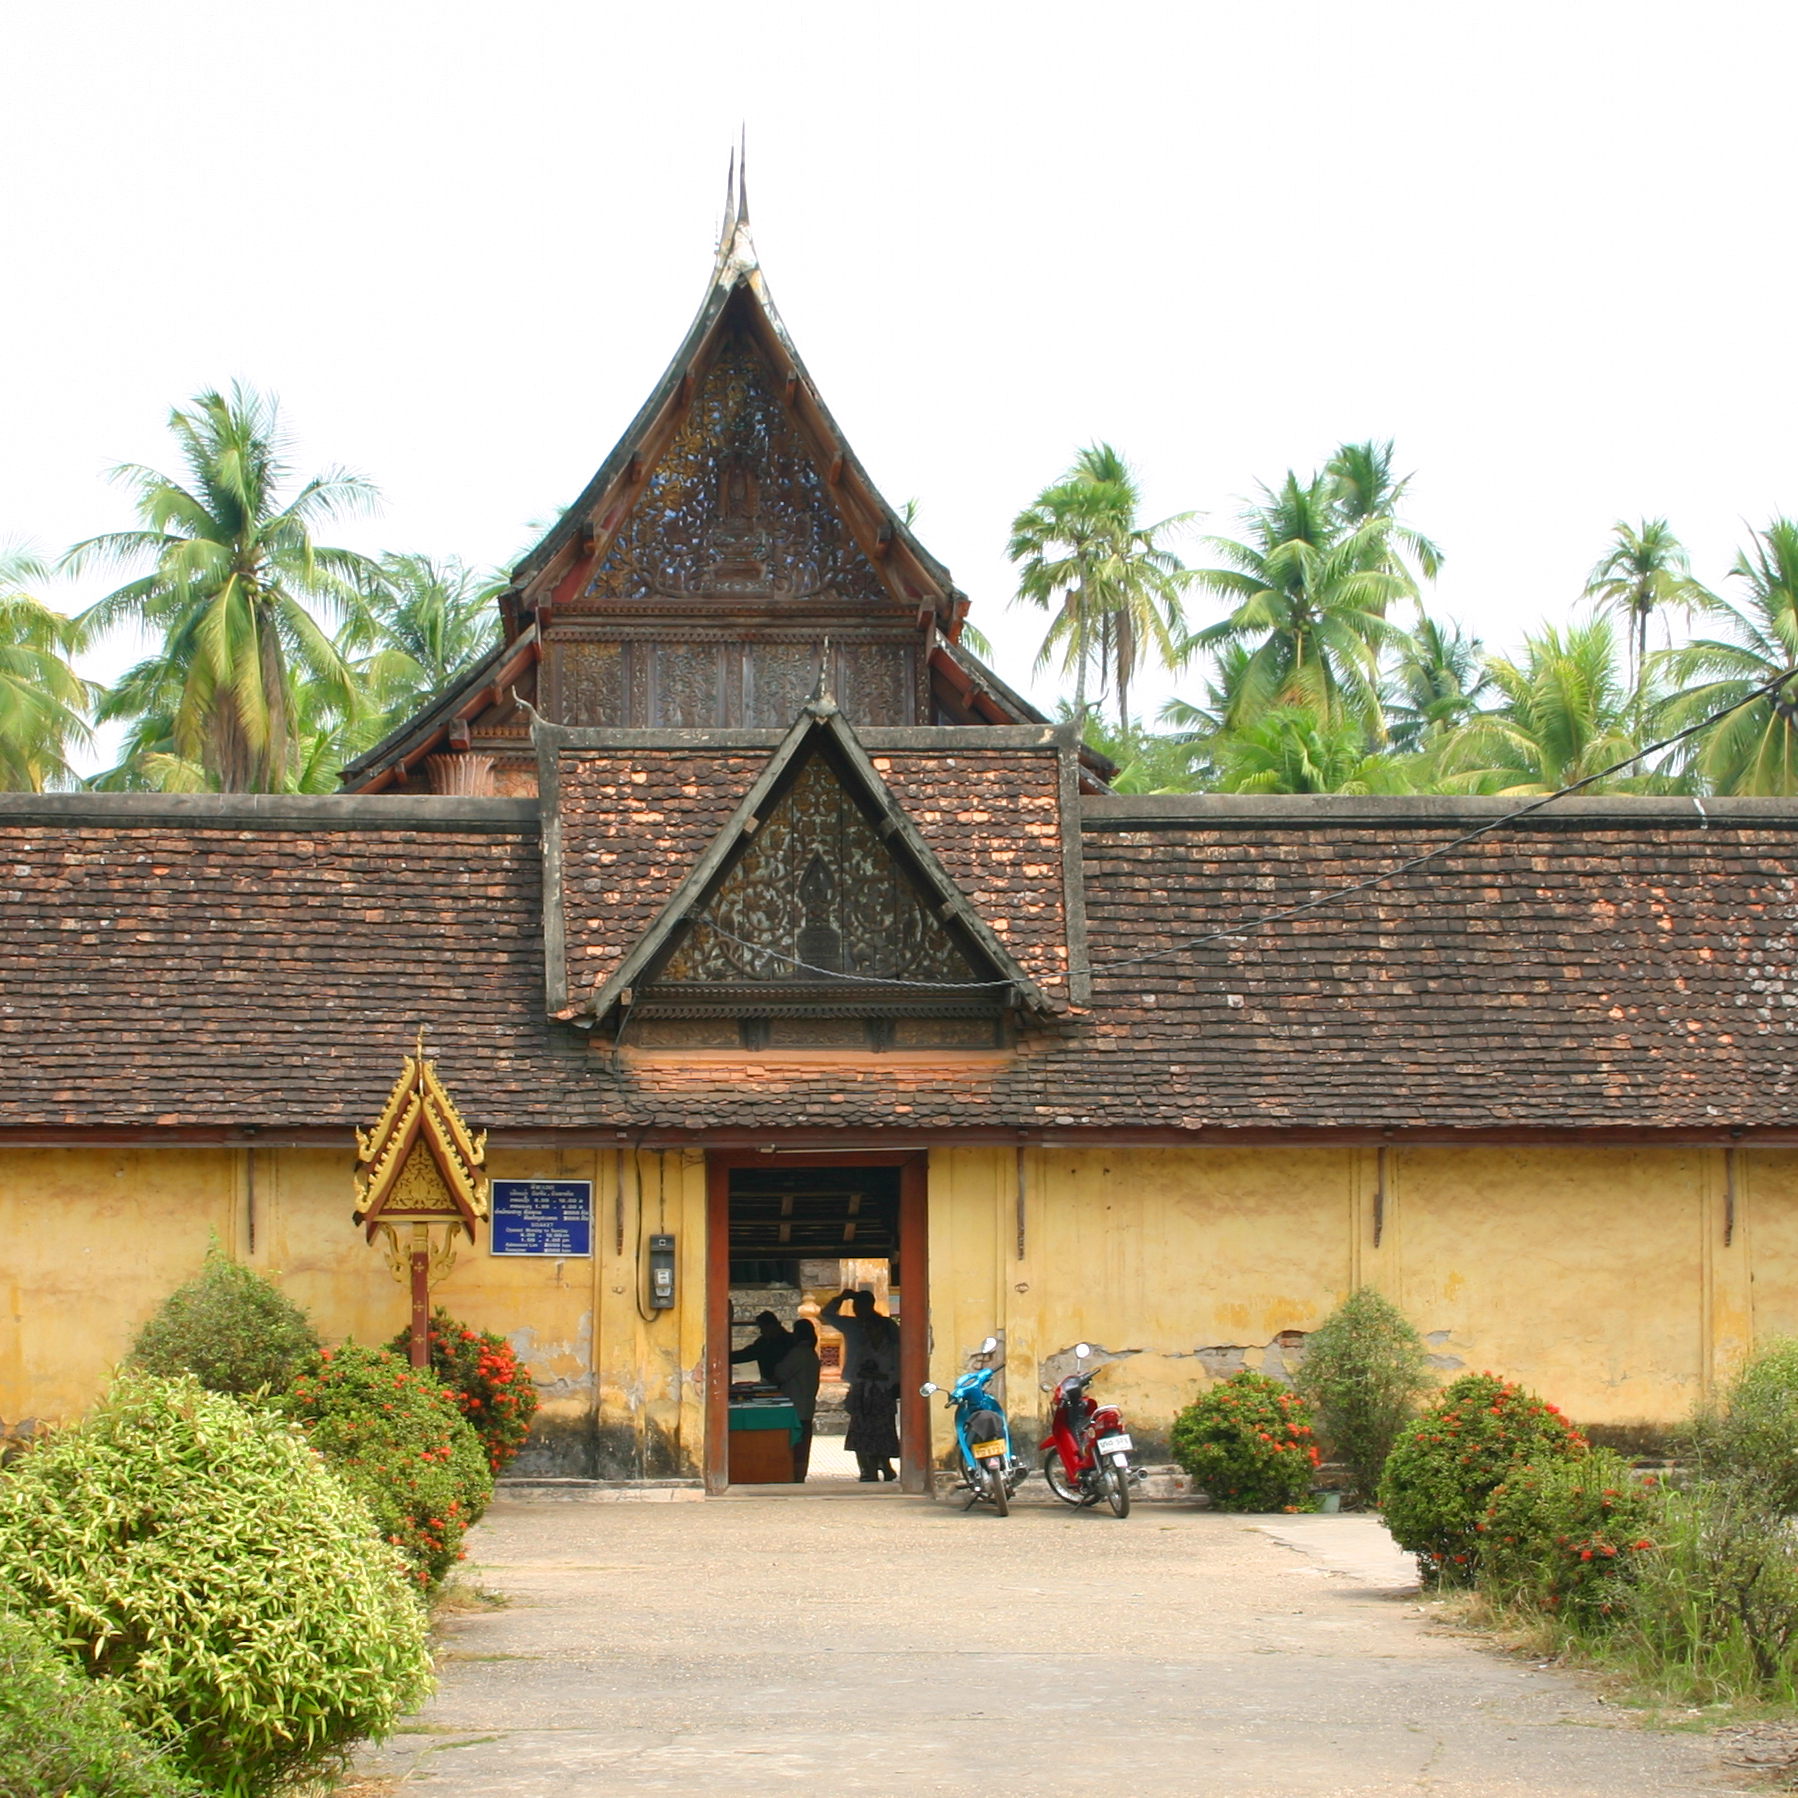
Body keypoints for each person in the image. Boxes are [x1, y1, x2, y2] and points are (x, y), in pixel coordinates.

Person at [820, 1287, 900, 1482]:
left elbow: (901, 1355)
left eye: (860, 1305)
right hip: (860, 1386)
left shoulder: (888, 1327)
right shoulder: (853, 1325)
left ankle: (883, 1465)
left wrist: (894, 1381)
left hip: (883, 1388)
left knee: (881, 1430)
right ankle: (868, 1469)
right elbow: (826, 1314)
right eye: (855, 1306)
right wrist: (841, 1298)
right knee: (861, 1430)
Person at [771, 1319, 821, 1482]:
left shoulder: (798, 1354)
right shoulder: (811, 1354)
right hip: (806, 1405)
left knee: (796, 1443)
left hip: (794, 1407)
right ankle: (800, 1474)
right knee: (803, 1443)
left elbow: (780, 1373)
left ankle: (794, 1474)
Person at [729, 1310, 793, 1384]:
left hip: (783, 1383)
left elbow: (747, 1354)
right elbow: (747, 1354)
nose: (761, 1331)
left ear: (771, 1326)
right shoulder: (789, 1340)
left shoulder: (765, 1343)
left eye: (762, 1328)